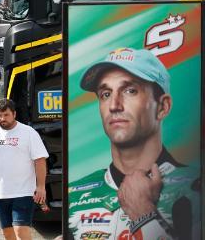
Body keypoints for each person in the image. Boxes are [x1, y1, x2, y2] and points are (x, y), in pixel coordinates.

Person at [66, 47, 198, 239]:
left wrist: (142, 214)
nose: (114, 105)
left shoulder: (194, 189)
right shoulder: (73, 196)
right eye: (105, 94)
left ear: (163, 106)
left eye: (130, 91)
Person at [0, 99, 49, 240]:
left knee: (20, 230)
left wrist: (41, 186)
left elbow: (40, 160)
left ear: (14, 114)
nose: (3, 118)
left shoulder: (28, 132)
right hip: (1, 193)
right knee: (8, 234)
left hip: (24, 192)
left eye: (6, 115)